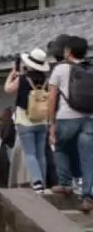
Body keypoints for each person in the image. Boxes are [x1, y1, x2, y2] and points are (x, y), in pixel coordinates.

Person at [48, 35, 93, 211]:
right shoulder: (90, 69)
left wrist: (51, 123)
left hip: (66, 117)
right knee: (88, 158)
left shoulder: (60, 69)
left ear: (68, 52)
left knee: (61, 147)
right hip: (89, 118)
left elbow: (52, 97)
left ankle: (65, 184)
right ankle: (88, 197)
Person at [6, 48, 51, 192]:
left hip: (25, 120)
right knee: (40, 154)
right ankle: (42, 181)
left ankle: (37, 182)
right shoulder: (46, 80)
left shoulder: (23, 78)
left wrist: (12, 74)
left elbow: (8, 89)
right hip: (42, 120)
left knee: (30, 153)